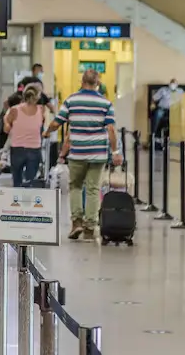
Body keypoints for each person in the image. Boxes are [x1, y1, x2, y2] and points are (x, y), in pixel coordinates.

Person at [46, 69, 121, 242]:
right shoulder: (106, 103)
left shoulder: (71, 100)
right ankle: (89, 228)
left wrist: (46, 132)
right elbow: (111, 129)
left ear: (82, 82)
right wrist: (115, 152)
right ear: (98, 83)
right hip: (98, 154)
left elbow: (57, 122)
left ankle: (76, 222)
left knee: (76, 187)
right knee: (93, 189)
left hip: (77, 153)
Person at [4, 84, 46, 187]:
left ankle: (17, 201)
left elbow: (6, 129)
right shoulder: (41, 110)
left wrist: (6, 121)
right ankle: (28, 201)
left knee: (17, 181)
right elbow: (41, 126)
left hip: (17, 149)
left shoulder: (15, 110)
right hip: (34, 149)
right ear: (38, 96)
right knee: (30, 182)